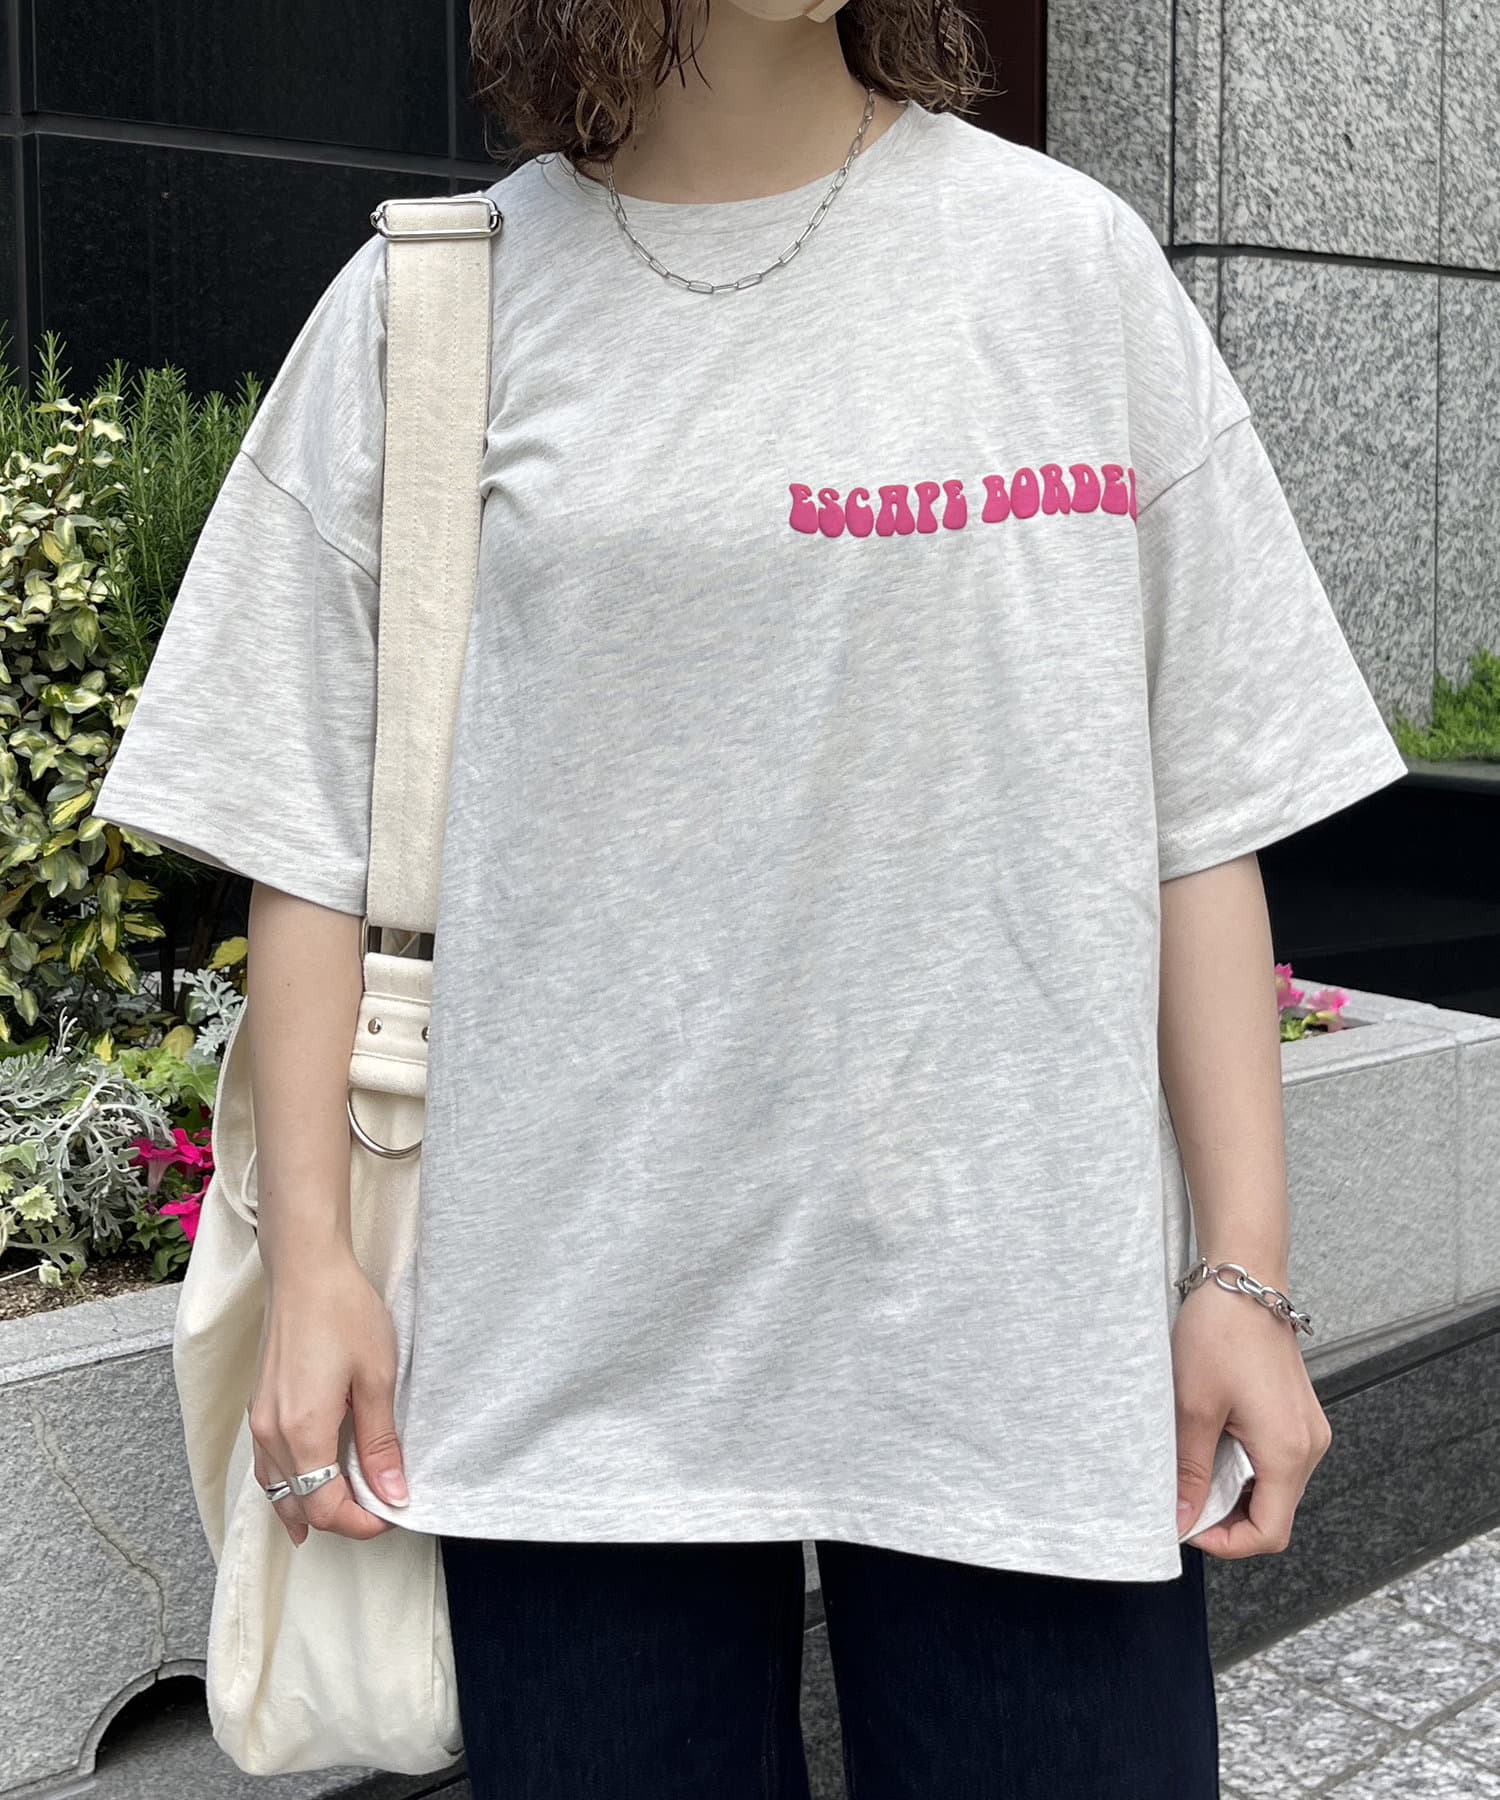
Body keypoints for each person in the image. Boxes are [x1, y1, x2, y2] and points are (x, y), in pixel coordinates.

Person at [91, 1, 1411, 1794]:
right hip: (576, 1355)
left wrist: (1245, 1275)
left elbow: (1199, 818)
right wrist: (313, 1262)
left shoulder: (1068, 268)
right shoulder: (436, 306)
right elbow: (307, 836)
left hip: (1018, 1344)